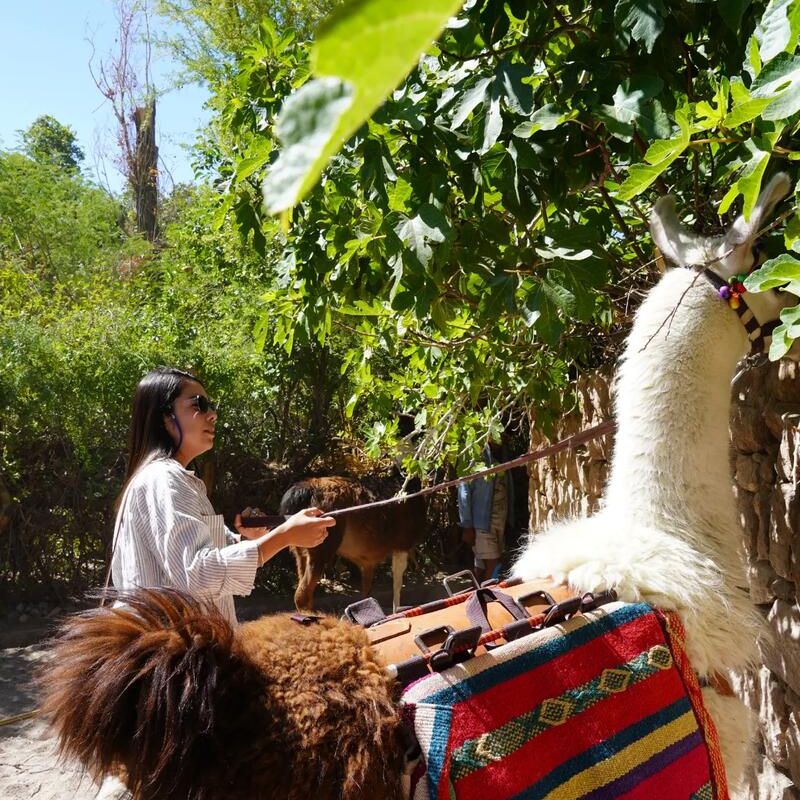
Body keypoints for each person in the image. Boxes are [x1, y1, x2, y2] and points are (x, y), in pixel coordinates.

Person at [109, 366, 336, 625]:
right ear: (166, 417)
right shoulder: (164, 480)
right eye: (199, 404)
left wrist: (245, 538)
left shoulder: (171, 479)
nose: (213, 415)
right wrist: (284, 537)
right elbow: (197, 575)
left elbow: (194, 557)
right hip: (176, 659)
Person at [457, 438, 515, 583]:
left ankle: (476, 596)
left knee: (482, 565)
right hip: (482, 523)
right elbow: (464, 492)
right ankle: (486, 599)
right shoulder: (474, 456)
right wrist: (467, 525)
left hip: (498, 522)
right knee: (492, 563)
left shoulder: (500, 456)